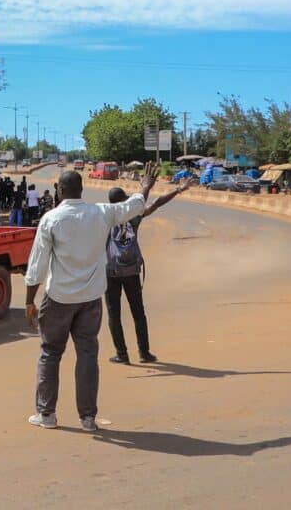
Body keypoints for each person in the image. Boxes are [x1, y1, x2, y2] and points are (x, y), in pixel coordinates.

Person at [24, 163, 158, 431]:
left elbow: (37, 266)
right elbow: (133, 207)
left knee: (50, 353)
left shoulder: (51, 219)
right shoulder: (101, 213)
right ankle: (87, 418)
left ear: (60, 190)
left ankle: (46, 414)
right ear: (82, 189)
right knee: (87, 355)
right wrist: (145, 186)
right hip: (91, 299)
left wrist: (29, 300)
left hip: (59, 297)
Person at [105, 179, 191, 364]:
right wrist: (178, 190)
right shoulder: (134, 216)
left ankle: (122, 354)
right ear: (123, 201)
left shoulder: (104, 219)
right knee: (138, 313)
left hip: (111, 273)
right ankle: (144, 353)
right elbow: (157, 203)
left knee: (114, 314)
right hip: (132, 271)